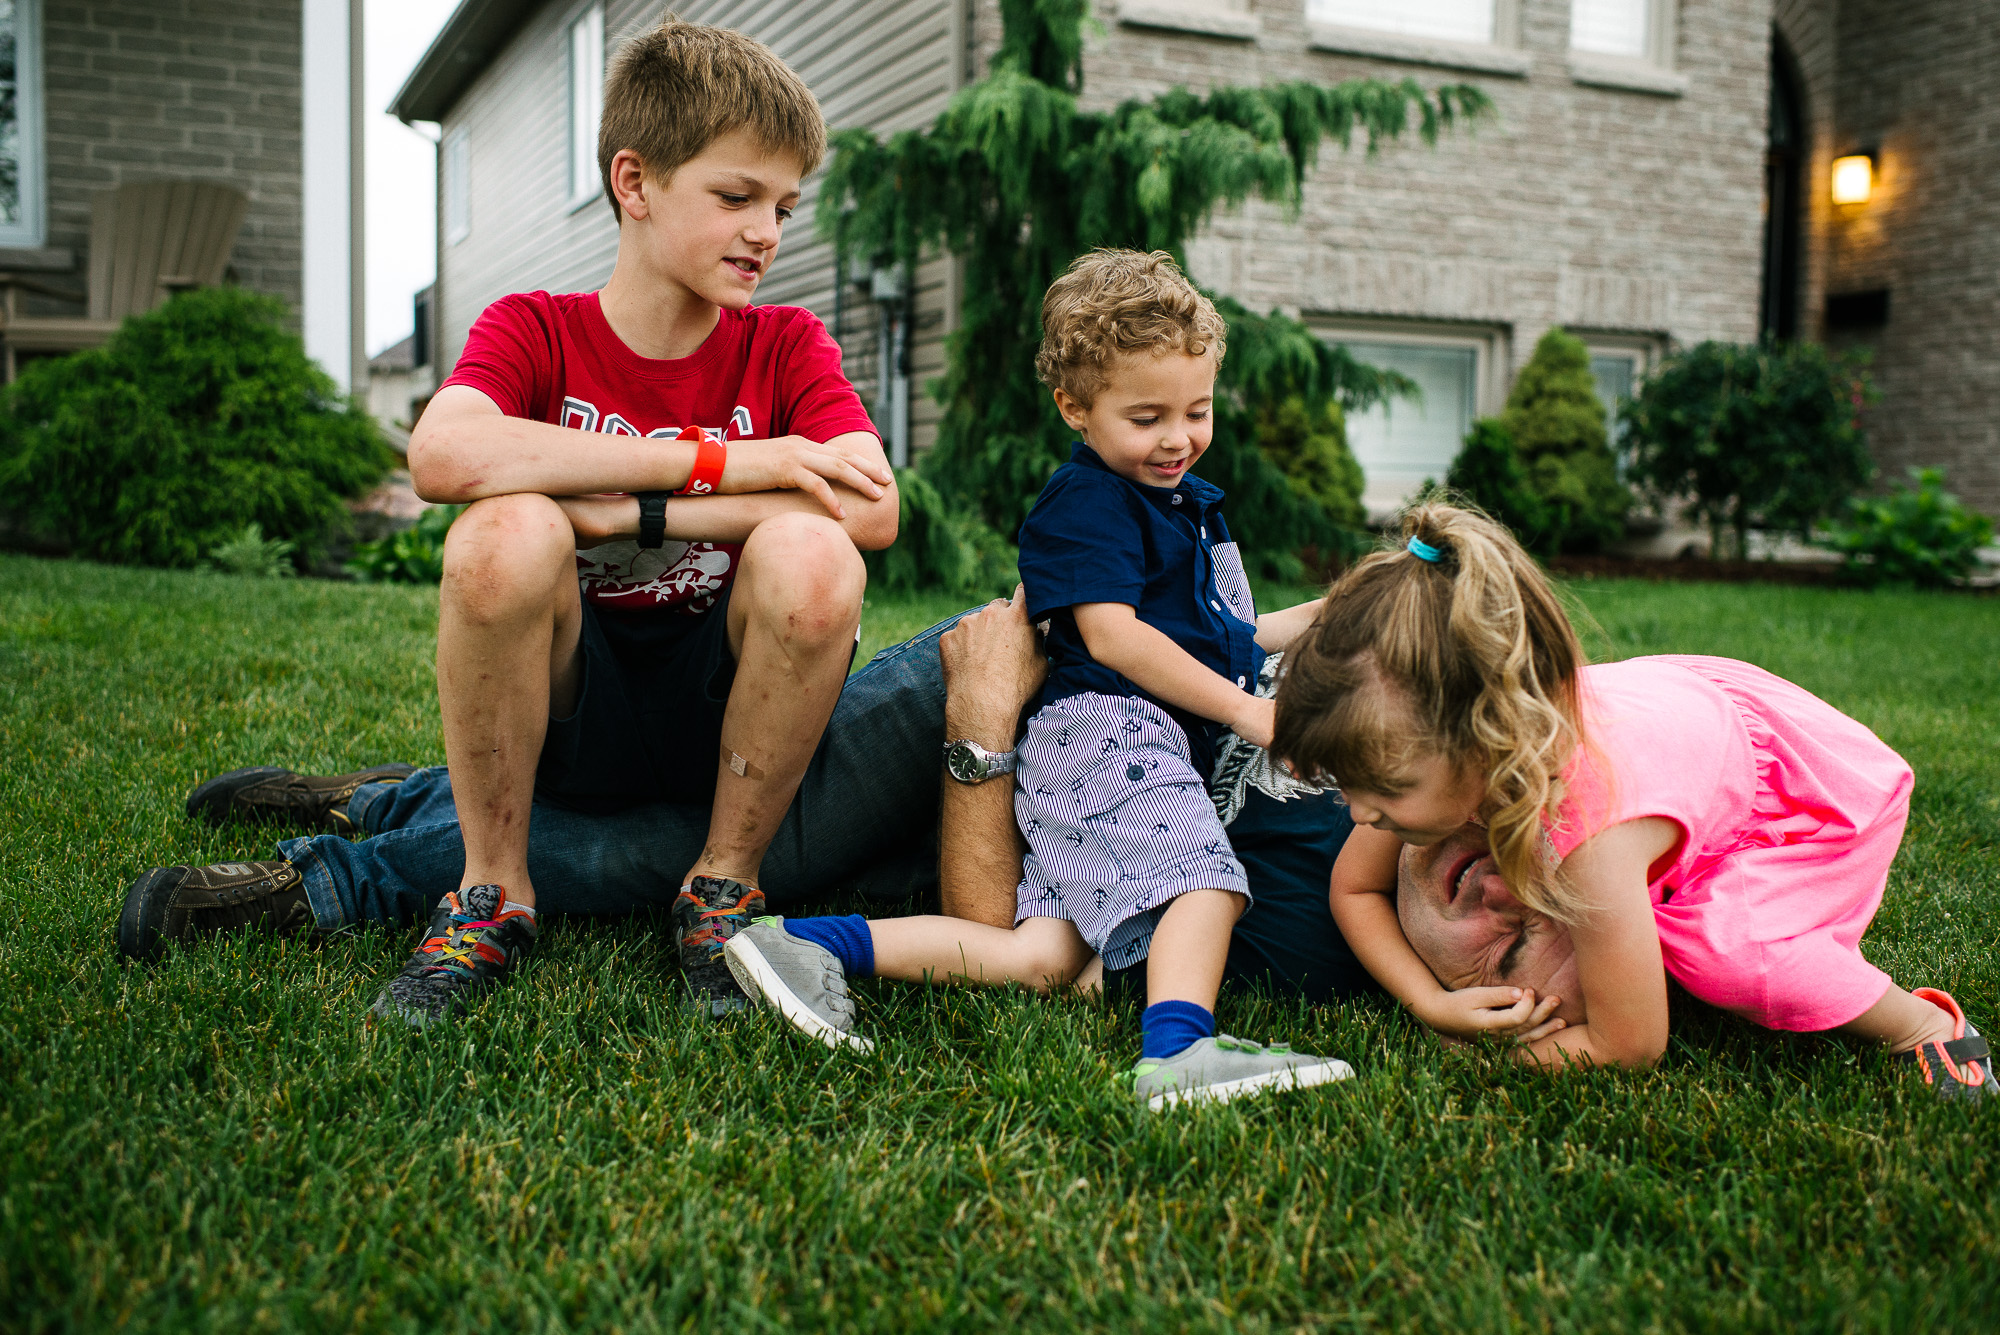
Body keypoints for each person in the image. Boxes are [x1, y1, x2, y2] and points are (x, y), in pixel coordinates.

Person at [119, 20, 901, 1025]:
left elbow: (868, 506)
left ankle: (721, 891)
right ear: (635, 181)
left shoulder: (786, 344)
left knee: (814, 550)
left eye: (784, 206)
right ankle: (490, 894)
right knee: (502, 533)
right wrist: (726, 464)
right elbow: (445, 457)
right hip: (573, 703)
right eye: (737, 197)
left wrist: (627, 509)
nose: (768, 233)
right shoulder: (536, 329)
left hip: (730, 710)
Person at [722, 251, 1351, 1109]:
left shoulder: (1179, 502)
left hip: (1097, 755)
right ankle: (1179, 1053)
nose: (1177, 437)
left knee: (1043, 955)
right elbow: (1114, 638)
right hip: (1112, 739)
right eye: (1147, 416)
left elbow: (1234, 636)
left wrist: (1342, 604)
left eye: (1197, 411)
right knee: (1204, 880)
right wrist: (1255, 715)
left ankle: (804, 941)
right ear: (1075, 407)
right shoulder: (1087, 502)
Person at [1268, 502, 1996, 1101]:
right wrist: (1425, 1001)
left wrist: (1489, 1061)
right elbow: (1353, 884)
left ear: (1479, 739)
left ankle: (1922, 1029)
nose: (1362, 816)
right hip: (1694, 715)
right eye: (1349, 790)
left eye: (1386, 799)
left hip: (1796, 802)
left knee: (1728, 956)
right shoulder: (1449, 752)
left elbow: (1629, 1044)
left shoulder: (1590, 833)